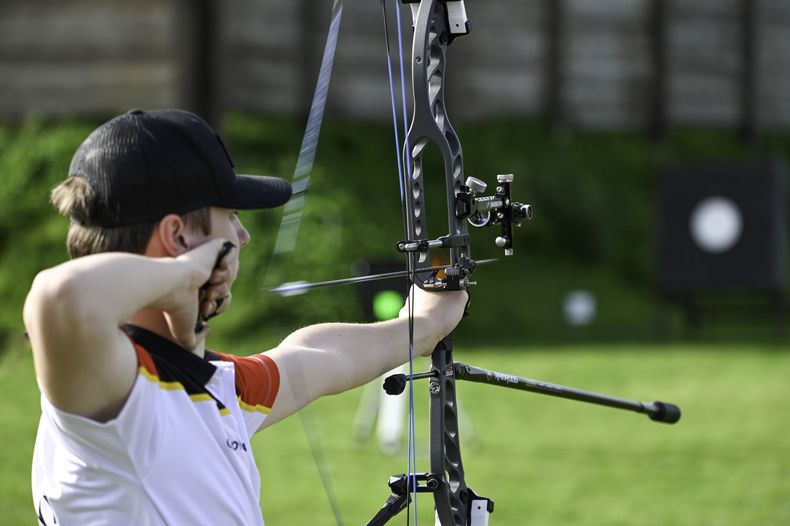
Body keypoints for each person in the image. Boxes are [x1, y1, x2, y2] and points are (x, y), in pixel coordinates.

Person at [23, 109, 467, 525]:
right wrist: (184, 275)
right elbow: (60, 298)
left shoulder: (199, 382)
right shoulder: (113, 390)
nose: (244, 236)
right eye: (231, 217)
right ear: (178, 236)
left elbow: (308, 360)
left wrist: (421, 325)